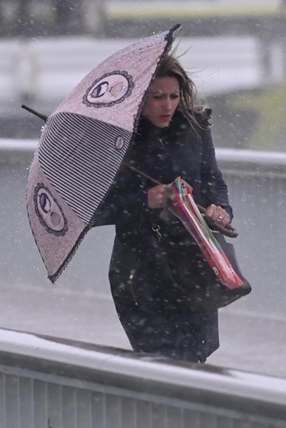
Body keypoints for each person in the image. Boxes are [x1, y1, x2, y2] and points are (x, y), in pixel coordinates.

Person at [93, 54, 233, 363]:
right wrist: (146, 201)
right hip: (140, 272)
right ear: (140, 98)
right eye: (157, 97)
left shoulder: (195, 127)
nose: (167, 105)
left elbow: (214, 182)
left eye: (173, 96)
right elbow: (95, 210)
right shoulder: (118, 141)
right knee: (160, 361)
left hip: (192, 264)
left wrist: (220, 209)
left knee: (196, 358)